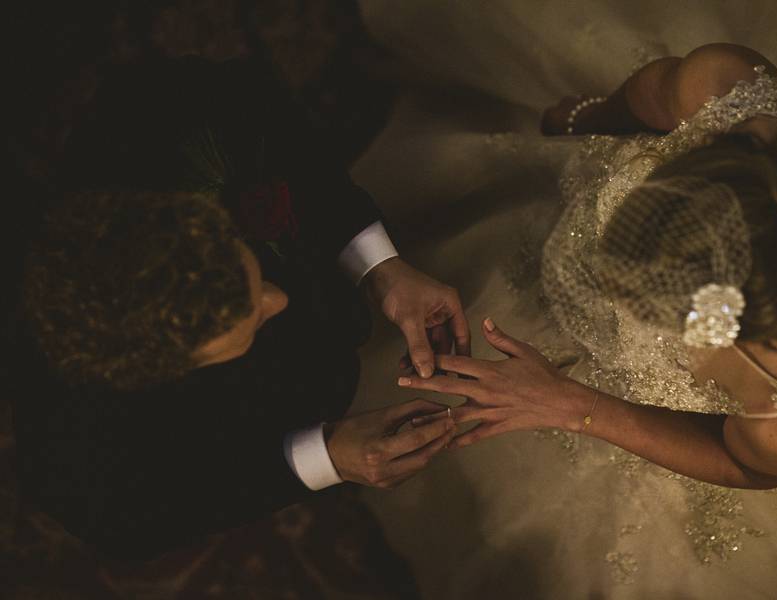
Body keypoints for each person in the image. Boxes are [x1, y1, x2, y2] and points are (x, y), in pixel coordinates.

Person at [346, 2, 777, 598]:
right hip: (548, 235)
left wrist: (570, 405)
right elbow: (637, 100)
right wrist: (577, 118)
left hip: (624, 395)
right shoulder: (724, 90)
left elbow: (746, 464)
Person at [10, 56, 469, 560]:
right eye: (252, 320)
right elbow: (165, 502)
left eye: (254, 277)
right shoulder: (84, 469)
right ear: (169, 372)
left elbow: (291, 147)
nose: (280, 299)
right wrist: (328, 456)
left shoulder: (164, 109)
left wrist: (380, 267)